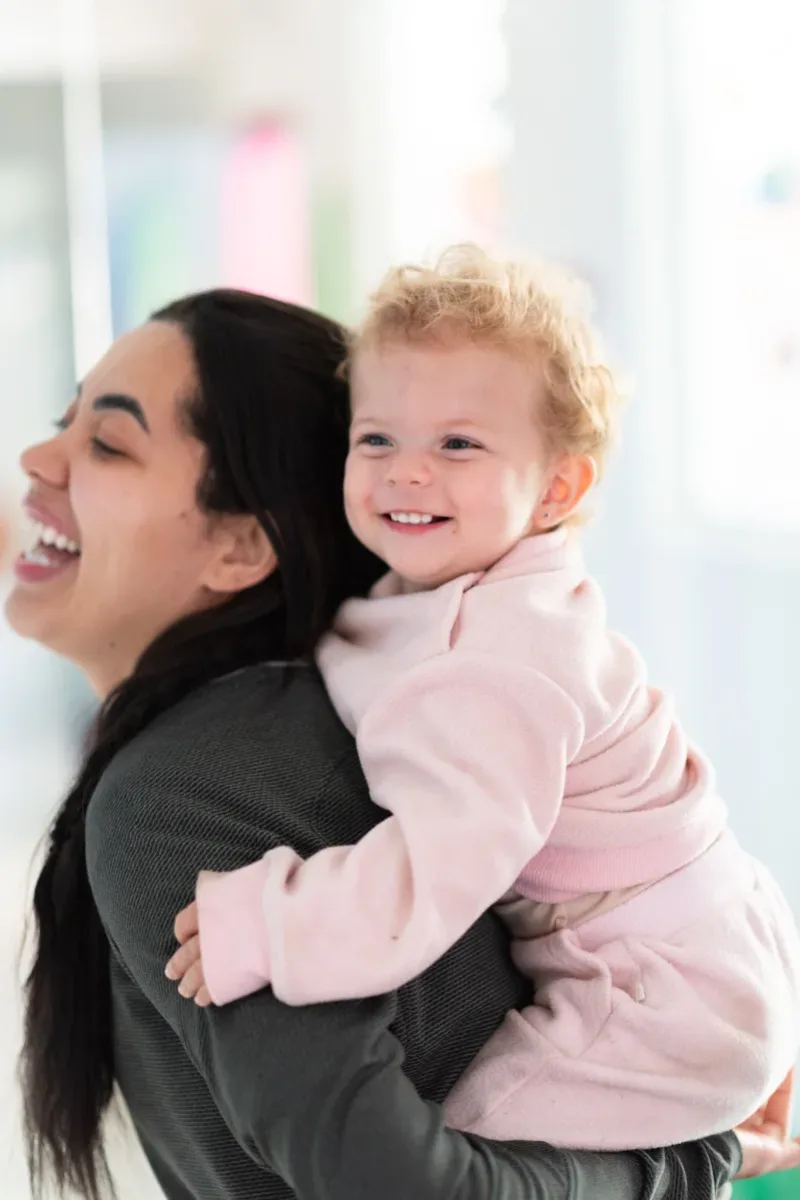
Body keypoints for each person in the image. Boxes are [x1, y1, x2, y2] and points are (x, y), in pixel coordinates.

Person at [7, 288, 746, 1200]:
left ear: (243, 546)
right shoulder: (339, 687)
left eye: (107, 443)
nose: (39, 458)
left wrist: (690, 1158)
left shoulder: (184, 791)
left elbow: (395, 1184)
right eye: (379, 442)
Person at [166, 249, 799, 1152]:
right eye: (377, 438)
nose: (407, 472)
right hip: (705, 934)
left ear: (556, 489)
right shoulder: (453, 593)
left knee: (459, 1146)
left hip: (665, 991)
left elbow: (436, 867)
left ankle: (720, 1155)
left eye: (458, 444)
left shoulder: (501, 659)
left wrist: (273, 922)